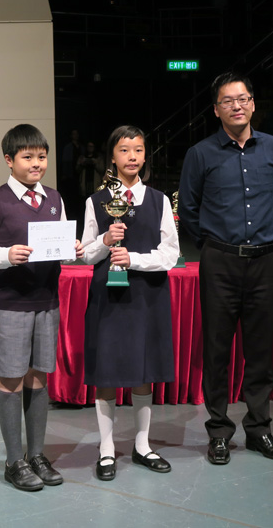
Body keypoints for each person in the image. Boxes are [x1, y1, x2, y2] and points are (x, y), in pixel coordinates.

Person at [178, 72, 273, 465]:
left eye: (243, 99)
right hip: (220, 262)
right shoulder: (200, 153)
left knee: (261, 350)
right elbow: (188, 209)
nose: (236, 106)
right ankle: (219, 432)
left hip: (264, 261)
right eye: (228, 101)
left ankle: (259, 429)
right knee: (217, 350)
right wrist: (214, 245)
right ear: (216, 110)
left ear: (253, 104)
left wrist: (262, 238)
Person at [0, 124, 83, 492]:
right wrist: (6, 255)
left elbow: (59, 246)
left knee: (39, 377)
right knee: (11, 378)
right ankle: (13, 461)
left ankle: (37, 455)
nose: (36, 164)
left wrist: (74, 248)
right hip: (10, 304)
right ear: (9, 160)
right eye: (28, 157)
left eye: (41, 157)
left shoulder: (54, 198)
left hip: (46, 301)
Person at [81, 126, 179, 481]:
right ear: (112, 156)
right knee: (106, 371)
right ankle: (107, 449)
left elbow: (170, 254)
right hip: (109, 296)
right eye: (124, 150)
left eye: (138, 149)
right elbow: (86, 254)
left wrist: (133, 259)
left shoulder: (159, 200)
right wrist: (106, 240)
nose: (132, 156)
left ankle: (142, 445)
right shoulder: (96, 201)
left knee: (144, 371)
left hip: (148, 296)